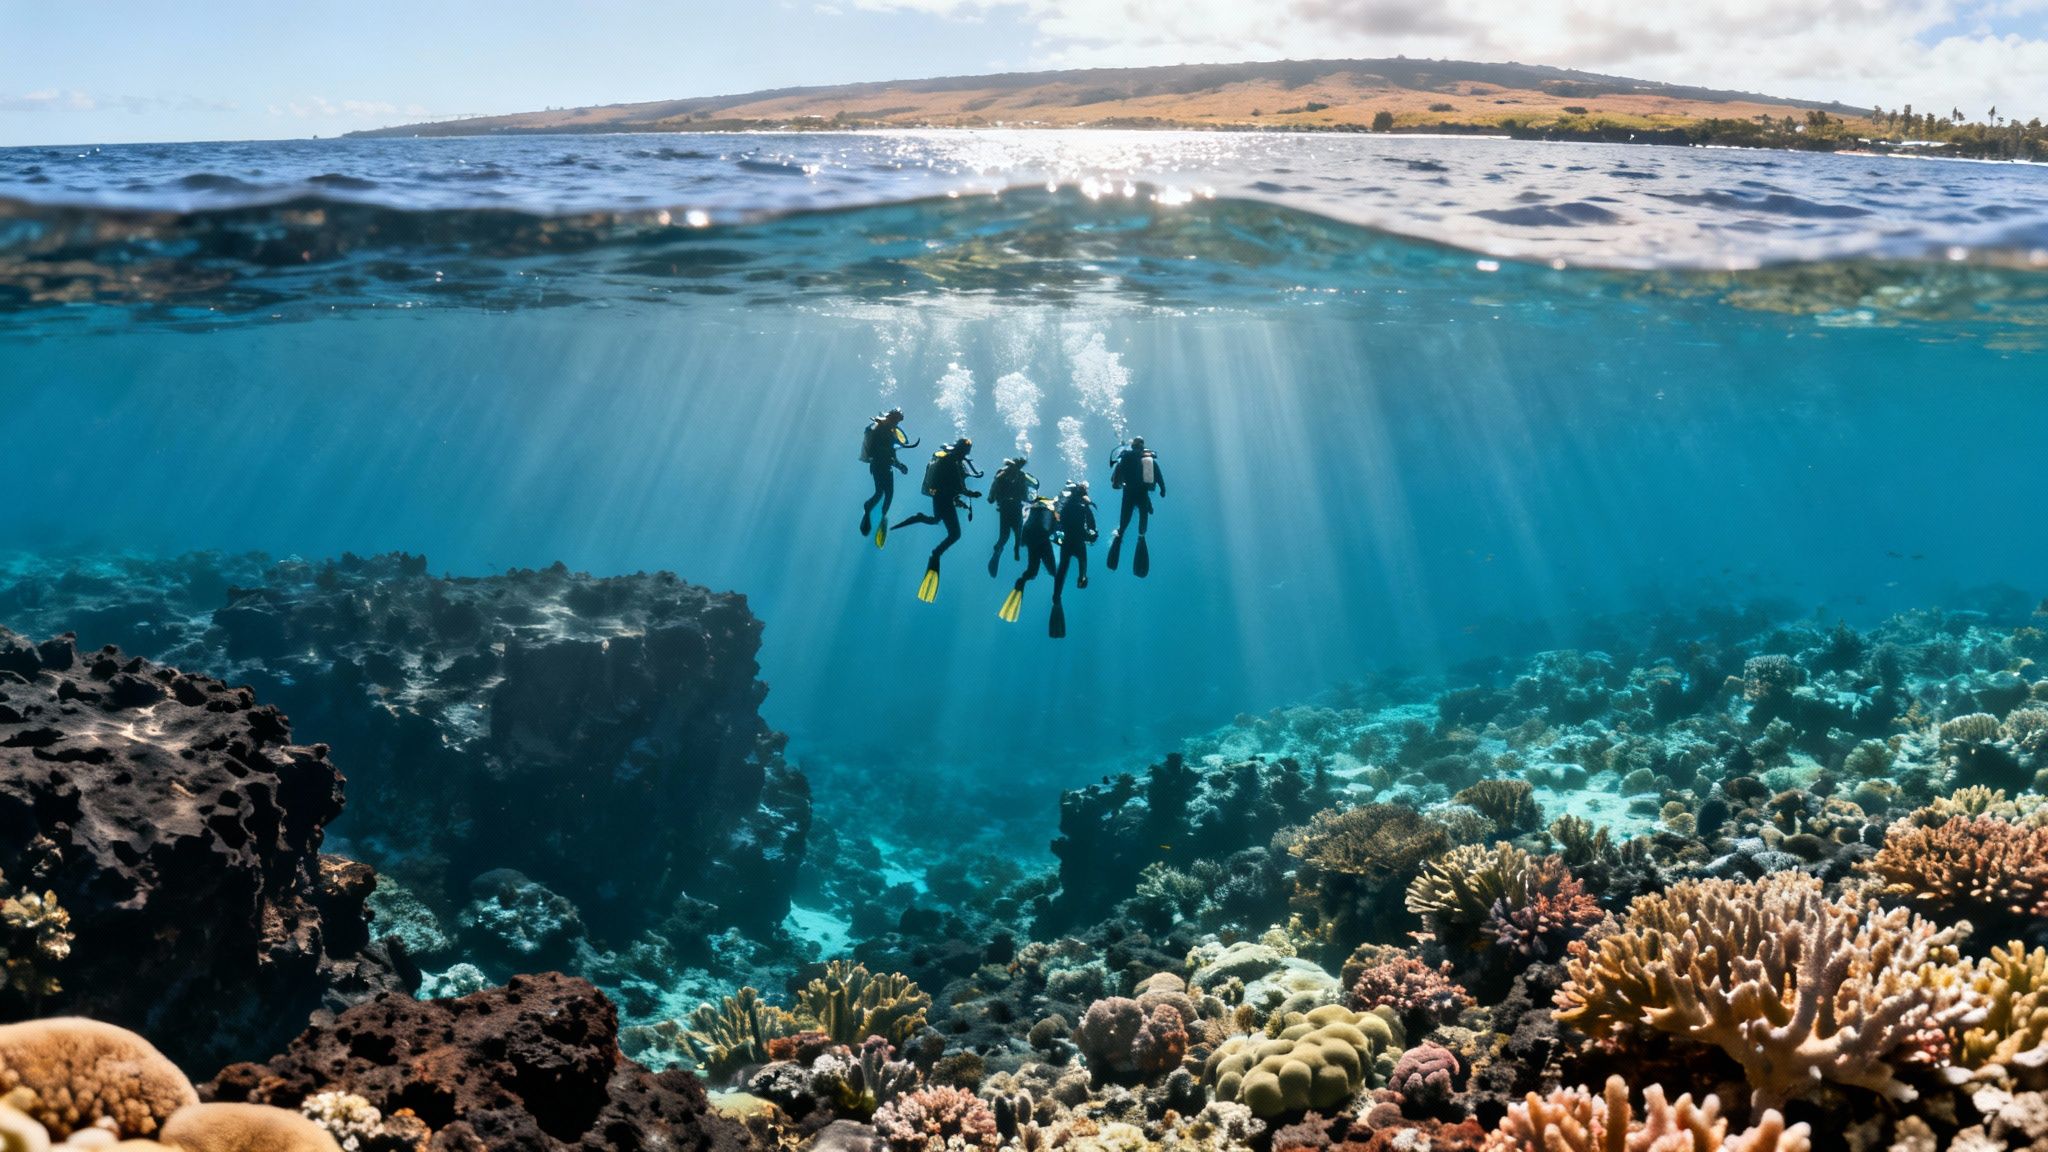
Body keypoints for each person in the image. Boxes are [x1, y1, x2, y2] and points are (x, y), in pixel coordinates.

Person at [891, 436, 982, 602]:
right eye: (966, 451)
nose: (966, 454)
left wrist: (959, 499)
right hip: (943, 499)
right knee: (955, 534)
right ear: (962, 450)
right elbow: (957, 486)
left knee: (936, 520)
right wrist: (971, 494)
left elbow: (951, 485)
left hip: (940, 498)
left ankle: (919, 519)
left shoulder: (952, 461)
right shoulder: (952, 462)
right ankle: (936, 554)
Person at [1105, 436, 1165, 577]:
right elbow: (1158, 473)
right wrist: (1162, 489)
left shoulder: (1125, 457)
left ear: (1133, 445)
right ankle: (1141, 537)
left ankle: (1119, 535)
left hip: (1129, 494)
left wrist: (1117, 483)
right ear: (1143, 446)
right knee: (1142, 525)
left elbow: (1115, 481)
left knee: (1124, 523)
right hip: (1142, 495)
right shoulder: (1148, 458)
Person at [858, 408, 917, 547]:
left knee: (888, 494)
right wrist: (897, 463)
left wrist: (899, 465)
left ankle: (882, 516)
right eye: (896, 420)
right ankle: (868, 510)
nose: (897, 423)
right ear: (891, 418)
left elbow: (892, 455)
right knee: (880, 493)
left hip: (885, 467)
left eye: (898, 421)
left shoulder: (891, 432)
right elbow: (881, 452)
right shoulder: (880, 430)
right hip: (878, 466)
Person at [997, 494, 1059, 624]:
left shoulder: (1034, 509)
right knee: (1053, 571)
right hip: (1042, 538)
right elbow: (1054, 528)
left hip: (1030, 537)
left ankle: (1021, 582)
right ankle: (1056, 597)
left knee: (1032, 570)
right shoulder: (1052, 509)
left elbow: (1024, 529)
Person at [1048, 479, 1097, 639]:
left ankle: (1056, 596)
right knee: (1083, 564)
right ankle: (1082, 578)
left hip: (1067, 542)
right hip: (1079, 543)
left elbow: (1059, 523)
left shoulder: (1066, 505)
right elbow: (1092, 527)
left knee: (1062, 568)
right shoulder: (1084, 507)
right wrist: (1092, 535)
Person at [985, 457, 1039, 577]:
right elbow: (1025, 496)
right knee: (1018, 533)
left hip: (1004, 508)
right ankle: (1016, 550)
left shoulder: (1001, 473)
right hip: (1016, 507)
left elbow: (992, 493)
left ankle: (998, 550)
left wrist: (991, 498)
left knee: (1003, 537)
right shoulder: (1021, 476)